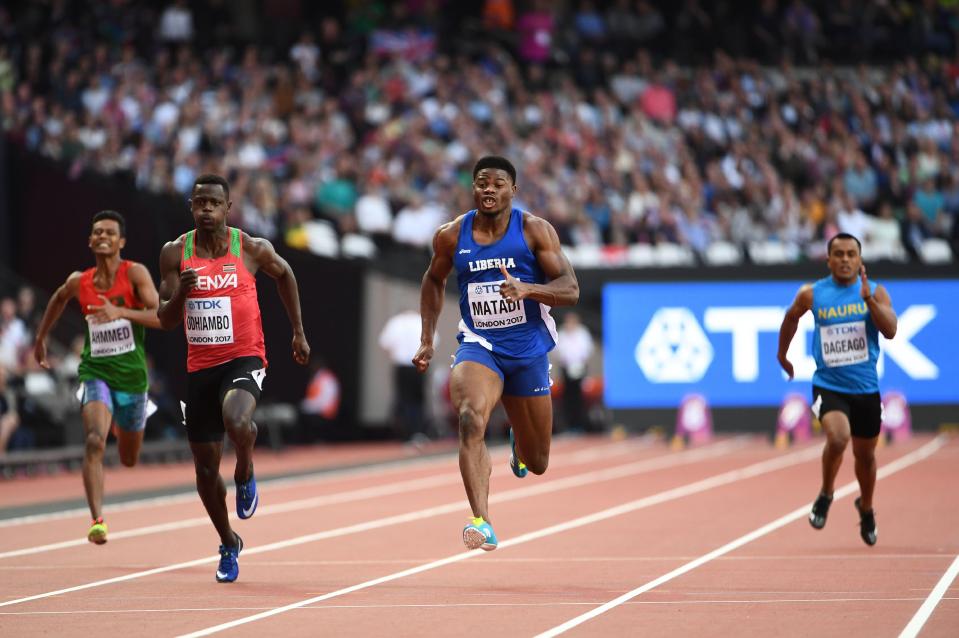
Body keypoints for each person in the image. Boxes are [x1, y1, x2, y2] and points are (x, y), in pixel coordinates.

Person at [413, 156, 579, 551]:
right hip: (480, 345)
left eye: (498, 183)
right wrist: (427, 338)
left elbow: (571, 289)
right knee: (470, 417)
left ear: (512, 190)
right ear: (473, 188)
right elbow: (433, 280)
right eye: (482, 182)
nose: (489, 189)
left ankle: (519, 446)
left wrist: (529, 289)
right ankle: (481, 521)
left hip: (528, 350)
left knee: (538, 462)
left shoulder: (535, 231)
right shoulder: (452, 235)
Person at [157, 173, 309, 583]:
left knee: (238, 420)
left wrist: (297, 331)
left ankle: (244, 471)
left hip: (244, 358)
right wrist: (182, 294)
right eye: (199, 203)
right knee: (205, 469)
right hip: (200, 367)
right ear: (191, 207)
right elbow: (166, 320)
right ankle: (228, 542)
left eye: (214, 203)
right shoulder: (175, 253)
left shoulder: (251, 247)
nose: (206, 210)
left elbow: (286, 275)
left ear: (227, 209)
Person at [32, 210, 161, 544]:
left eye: (109, 232)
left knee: (129, 458)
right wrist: (41, 338)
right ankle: (97, 520)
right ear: (90, 240)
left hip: (132, 378)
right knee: (93, 440)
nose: (103, 236)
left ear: (121, 242)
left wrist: (122, 311)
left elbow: (161, 316)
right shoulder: (81, 281)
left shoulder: (135, 274)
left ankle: (123, 420)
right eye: (97, 232)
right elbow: (58, 299)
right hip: (95, 371)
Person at [777, 232, 898, 546]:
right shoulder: (812, 294)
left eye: (851, 255)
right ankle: (826, 493)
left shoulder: (875, 292)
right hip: (828, 386)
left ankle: (867, 508)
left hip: (866, 389)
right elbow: (791, 318)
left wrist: (869, 299)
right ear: (828, 259)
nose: (845, 260)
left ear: (859, 260)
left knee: (865, 457)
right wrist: (783, 355)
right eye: (839, 254)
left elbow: (891, 331)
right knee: (838, 436)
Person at [379, 309, 432, 442]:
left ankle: (405, 434)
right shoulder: (422, 322)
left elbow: (384, 343)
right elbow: (433, 342)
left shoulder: (396, 322)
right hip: (419, 363)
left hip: (401, 365)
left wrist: (394, 354)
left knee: (404, 399)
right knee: (419, 399)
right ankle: (418, 432)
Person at [553, 311, 594, 432]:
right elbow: (557, 350)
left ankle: (580, 423)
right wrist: (565, 361)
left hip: (580, 367)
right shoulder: (561, 333)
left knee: (579, 396)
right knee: (567, 396)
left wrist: (580, 361)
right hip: (566, 368)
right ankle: (569, 424)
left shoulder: (583, 333)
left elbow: (588, 349)